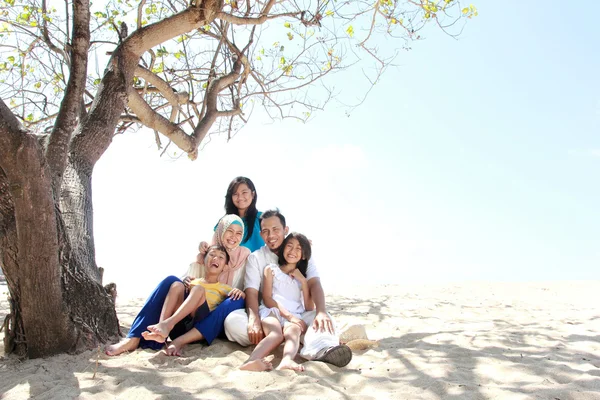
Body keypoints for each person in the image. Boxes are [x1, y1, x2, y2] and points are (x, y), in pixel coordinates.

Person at [105, 215, 250, 356]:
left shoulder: (245, 256)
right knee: (174, 282)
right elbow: (183, 284)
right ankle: (140, 336)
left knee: (233, 298)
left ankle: (172, 331)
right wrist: (185, 281)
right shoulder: (203, 255)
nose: (233, 236)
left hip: (209, 321)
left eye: (238, 233)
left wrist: (240, 293)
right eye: (229, 231)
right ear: (221, 232)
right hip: (184, 318)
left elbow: (245, 291)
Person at [224, 209, 352, 368]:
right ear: (261, 233)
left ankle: (322, 350)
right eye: (265, 231)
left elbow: (314, 285)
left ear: (285, 230)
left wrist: (321, 311)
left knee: (324, 319)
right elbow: (252, 291)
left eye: (275, 229)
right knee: (232, 321)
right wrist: (254, 319)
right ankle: (288, 337)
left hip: (297, 314)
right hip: (271, 314)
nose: (271, 235)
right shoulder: (257, 258)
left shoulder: (301, 254)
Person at [142, 245, 244, 345]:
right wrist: (183, 282)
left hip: (199, 327)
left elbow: (237, 300)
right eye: (212, 255)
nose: (215, 258)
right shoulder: (192, 281)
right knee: (177, 285)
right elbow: (180, 297)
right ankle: (162, 329)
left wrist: (241, 293)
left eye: (221, 257)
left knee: (198, 289)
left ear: (225, 267)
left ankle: (168, 324)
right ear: (204, 261)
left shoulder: (225, 288)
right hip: (179, 326)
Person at [240, 233, 314, 372]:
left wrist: (303, 281)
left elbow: (310, 306)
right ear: (283, 249)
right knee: (276, 334)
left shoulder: (303, 278)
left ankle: (287, 360)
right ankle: (252, 361)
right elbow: (267, 298)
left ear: (303, 255)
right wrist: (288, 316)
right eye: (289, 246)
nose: (293, 251)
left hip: (294, 315)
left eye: (298, 248)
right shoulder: (271, 269)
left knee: (293, 332)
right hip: (272, 311)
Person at [221, 177, 264, 252]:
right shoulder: (225, 221)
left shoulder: (263, 218)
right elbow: (215, 246)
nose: (240, 197)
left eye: (244, 193)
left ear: (253, 194)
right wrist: (204, 246)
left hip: (257, 263)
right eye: (235, 194)